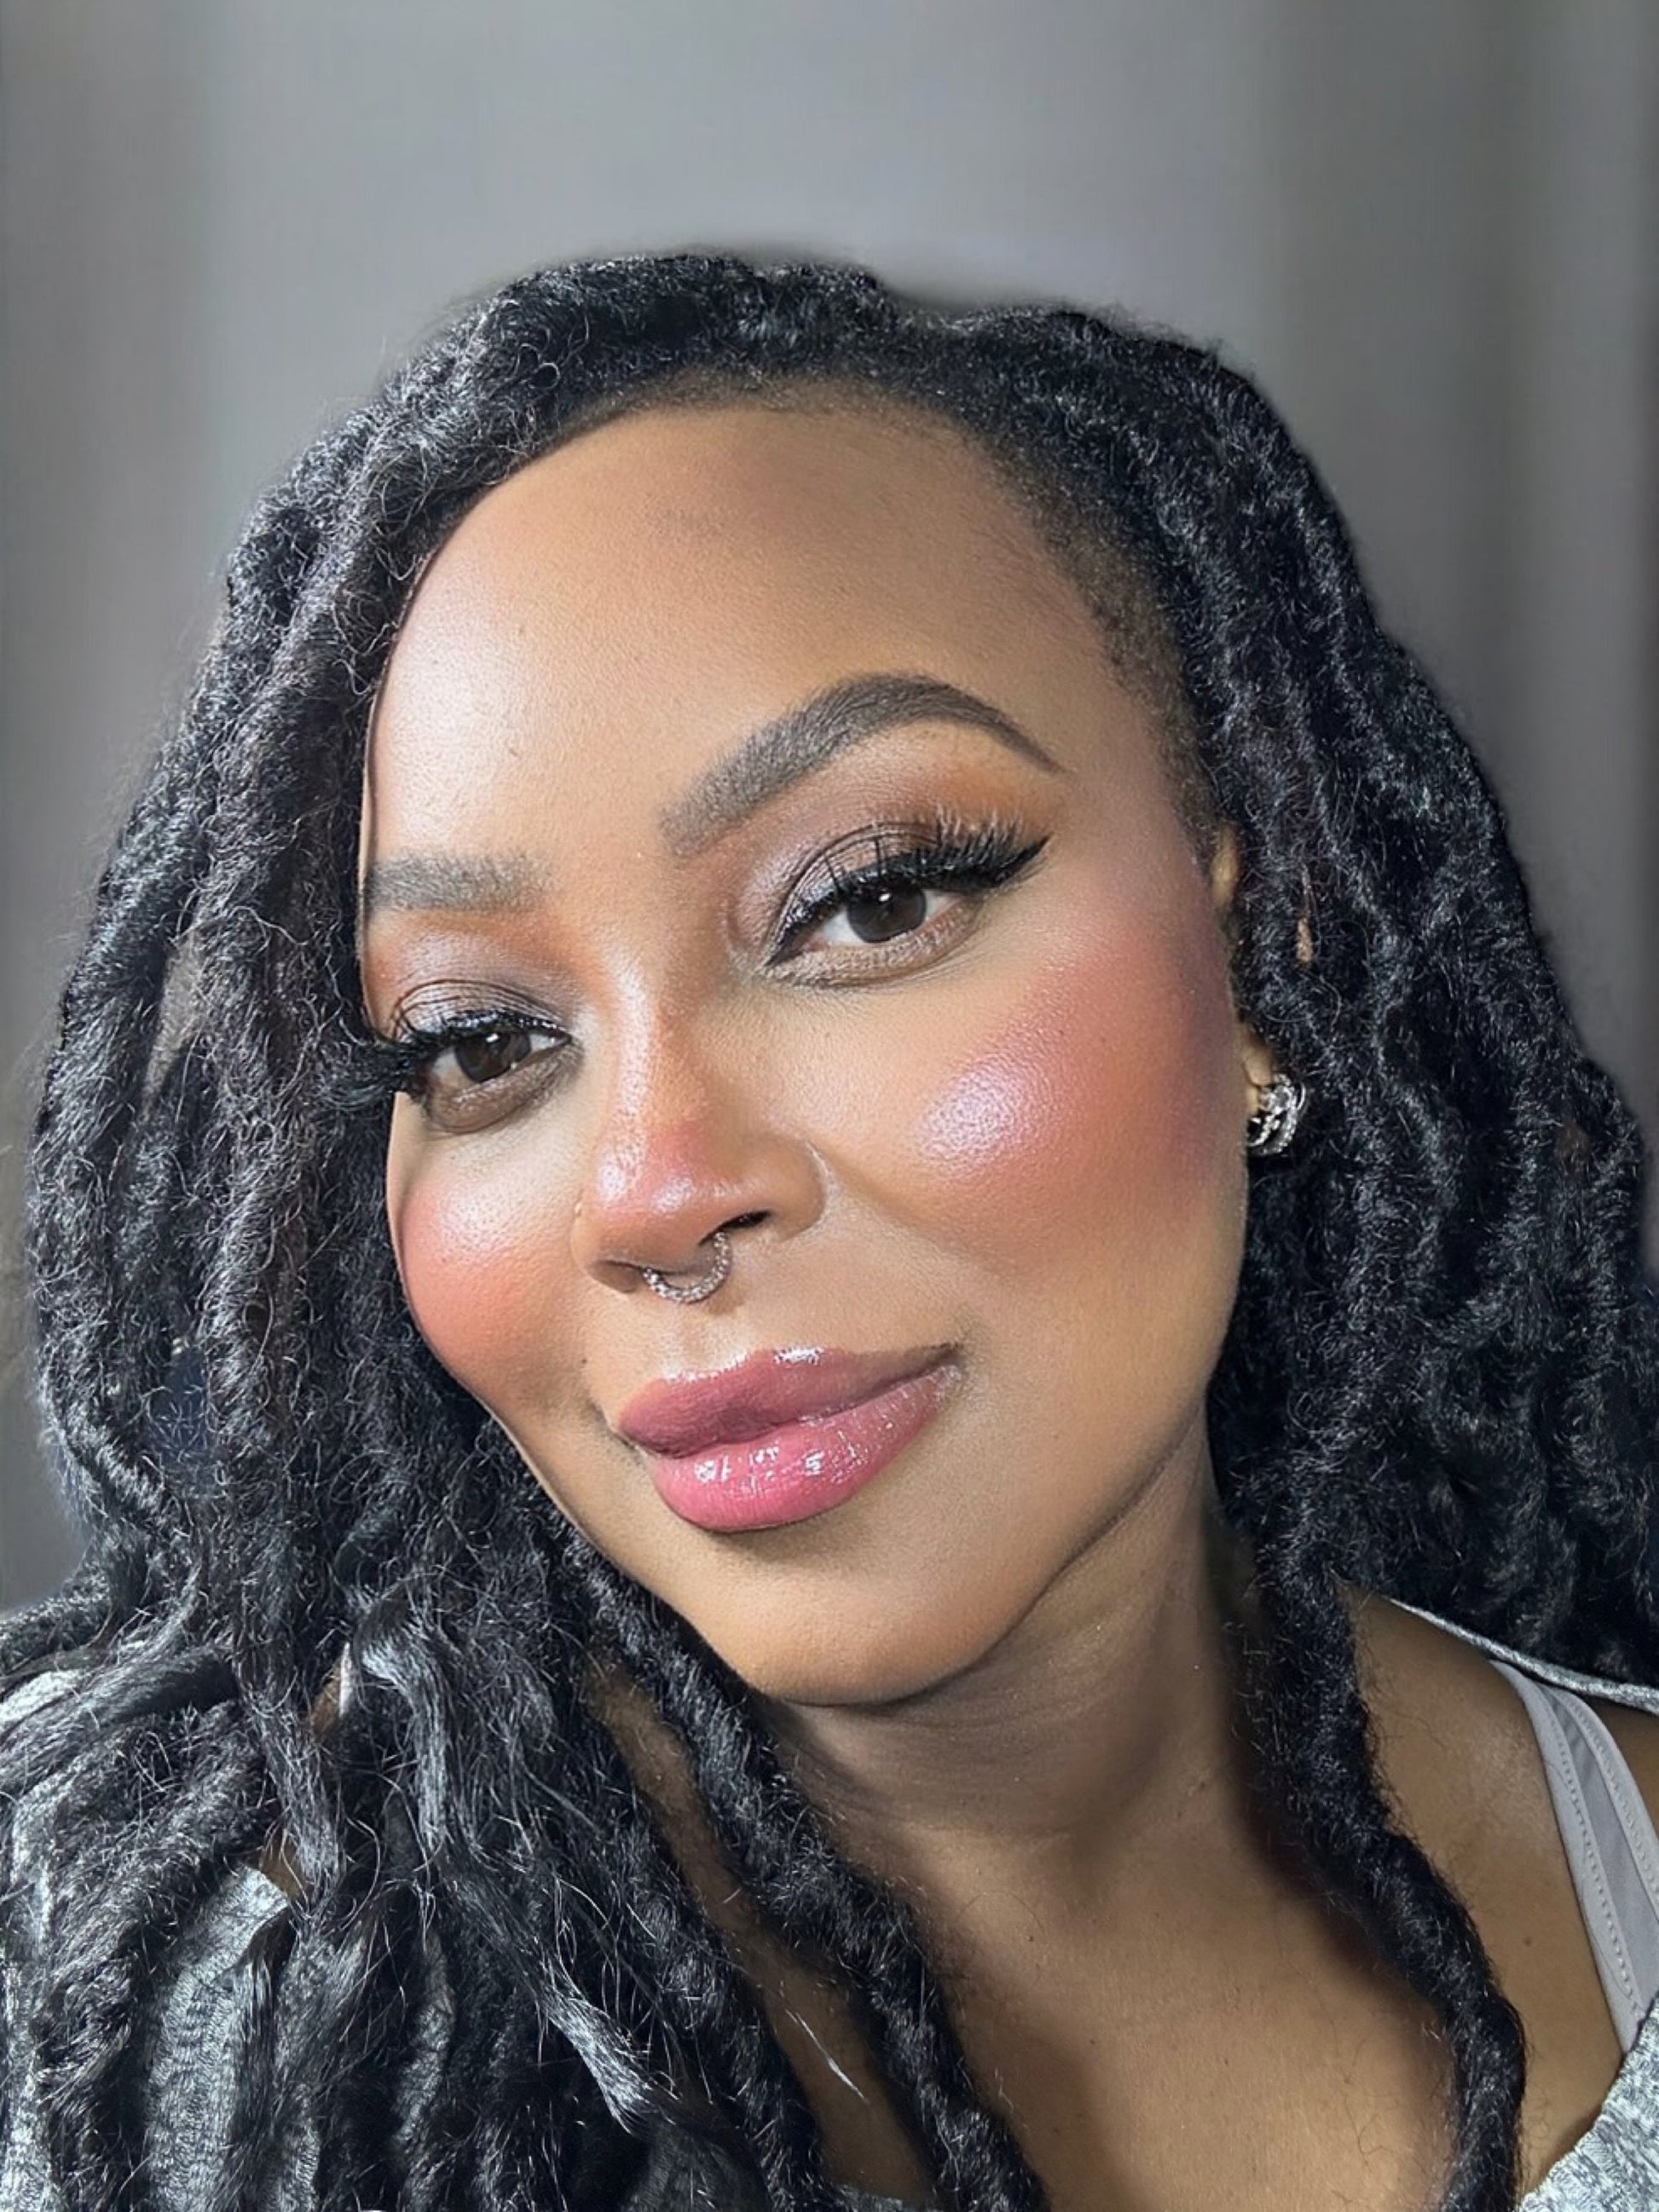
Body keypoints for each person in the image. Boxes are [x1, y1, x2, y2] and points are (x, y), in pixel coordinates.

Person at [2, 252, 1656, 2212]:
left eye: (869, 901)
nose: (654, 1184)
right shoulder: (113, 2003)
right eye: (477, 1040)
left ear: (1261, 941)